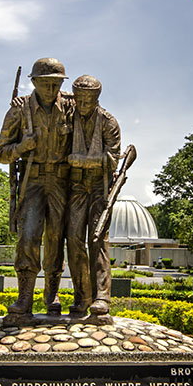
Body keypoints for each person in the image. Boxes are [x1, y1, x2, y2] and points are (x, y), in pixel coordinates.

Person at [0, 58, 72, 317]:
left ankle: (52, 293)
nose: (52, 89)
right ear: (34, 82)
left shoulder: (71, 107)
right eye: (46, 84)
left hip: (62, 181)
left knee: (55, 239)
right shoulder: (19, 110)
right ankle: (25, 295)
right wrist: (21, 148)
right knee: (27, 237)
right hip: (32, 180)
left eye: (57, 84)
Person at [65, 75, 120, 317]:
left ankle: (102, 297)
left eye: (89, 102)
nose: (84, 106)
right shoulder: (68, 115)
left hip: (99, 186)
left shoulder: (109, 123)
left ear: (97, 99)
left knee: (97, 240)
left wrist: (81, 161)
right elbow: (48, 96)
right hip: (76, 187)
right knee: (74, 238)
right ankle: (82, 295)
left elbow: (113, 159)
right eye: (80, 101)